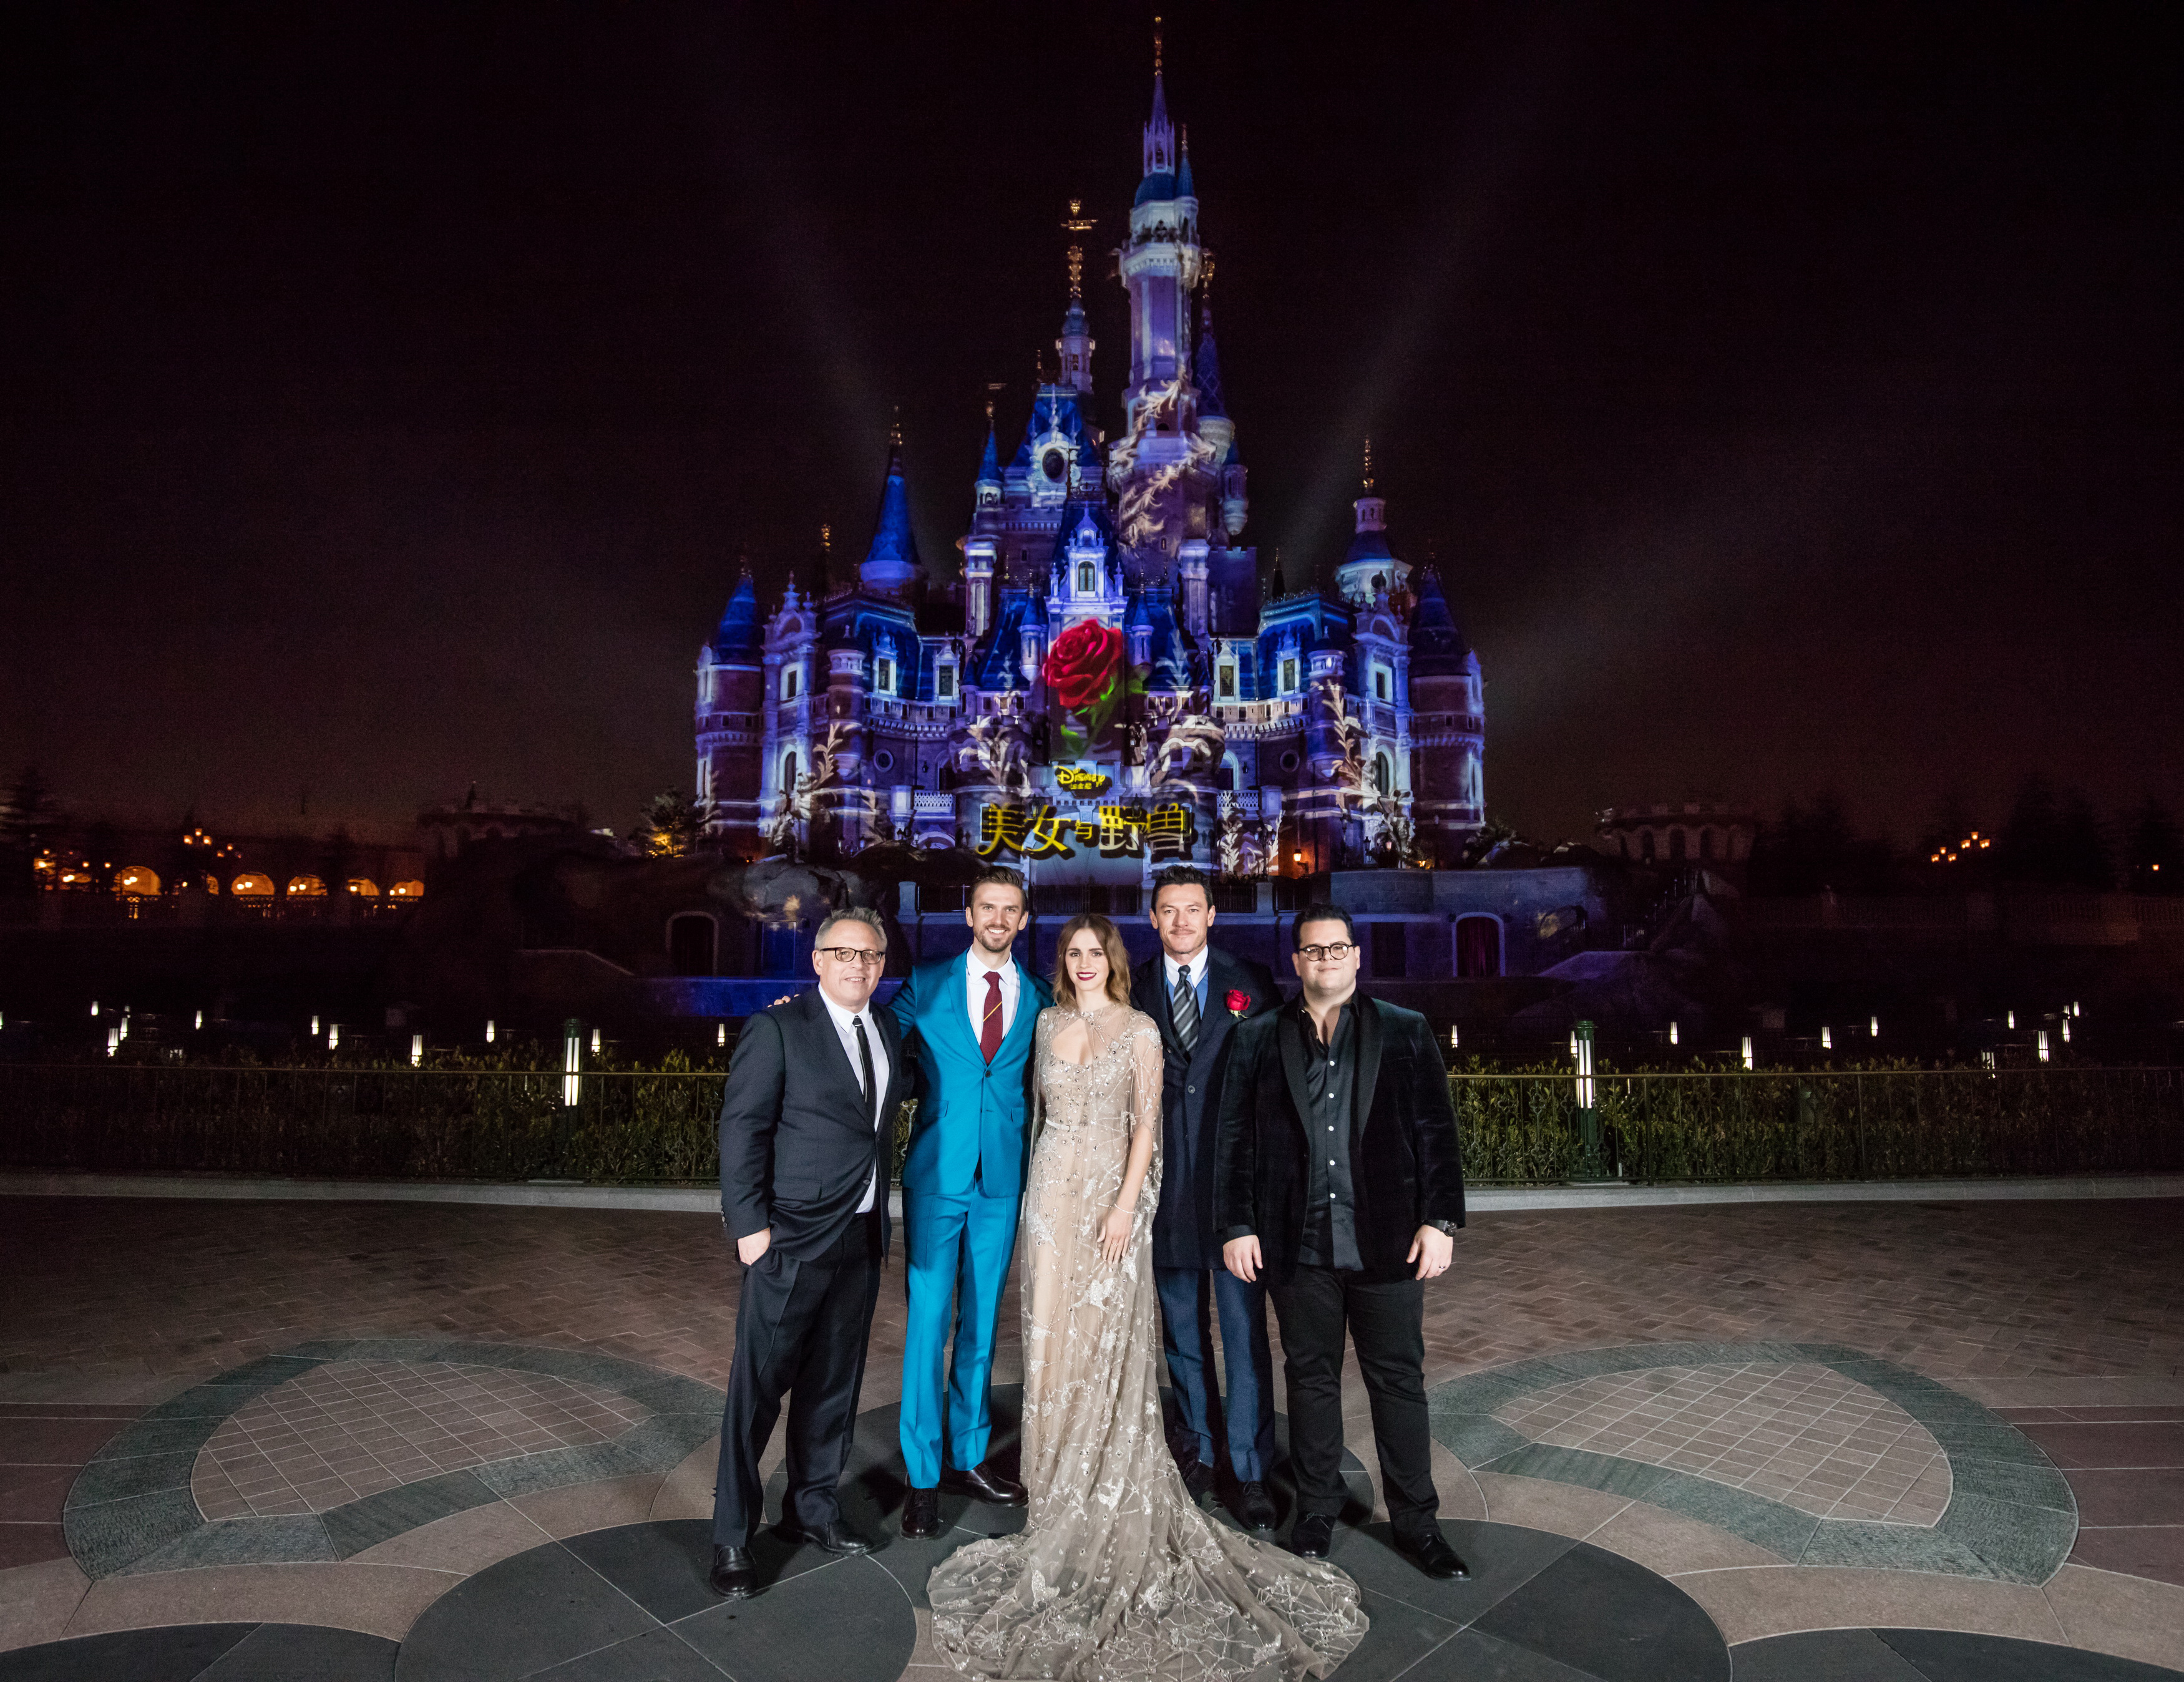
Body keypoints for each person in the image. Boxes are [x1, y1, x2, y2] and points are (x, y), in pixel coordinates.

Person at [929, 914, 1368, 1680]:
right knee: (1050, 1343)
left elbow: (1144, 1131)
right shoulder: (1046, 1024)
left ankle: (1130, 1476)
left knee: (1110, 1343)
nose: (1084, 962)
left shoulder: (1138, 1029)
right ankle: (1058, 1487)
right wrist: (1035, 1202)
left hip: (1110, 1202)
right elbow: (1035, 1122)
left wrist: (1126, 1206)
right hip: (1048, 1205)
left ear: (1114, 960)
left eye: (1096, 952)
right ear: (1062, 963)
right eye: (1073, 953)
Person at [1216, 903, 1471, 1580]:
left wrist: (1439, 1220)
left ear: (1355, 956)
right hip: (1294, 1245)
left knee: (1397, 1382)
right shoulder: (1259, 1038)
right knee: (1310, 1380)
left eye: (1336, 949)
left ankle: (1417, 1521)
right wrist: (1236, 1225)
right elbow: (1233, 1141)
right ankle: (1317, 1509)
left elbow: (1435, 1134)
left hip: (1388, 1240)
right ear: (1294, 961)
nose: (1324, 960)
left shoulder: (1405, 1031)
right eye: (1311, 950)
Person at [710, 907, 905, 1598]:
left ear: (882, 965)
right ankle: (732, 1534)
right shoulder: (778, 1027)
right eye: (844, 952)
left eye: (871, 955)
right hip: (788, 1236)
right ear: (817, 959)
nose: (858, 965)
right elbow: (742, 1128)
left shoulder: (885, 1028)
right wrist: (749, 1225)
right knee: (757, 1390)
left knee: (832, 1387)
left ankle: (811, 1510)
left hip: (858, 1238)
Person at [885, 865, 1052, 1537]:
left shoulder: (1040, 995)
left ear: (1023, 918)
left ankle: (970, 1455)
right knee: (928, 1322)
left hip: (1002, 1181)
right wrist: (801, 1015)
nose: (998, 918)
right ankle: (922, 1475)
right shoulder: (924, 983)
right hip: (935, 1176)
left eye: (1010, 909)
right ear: (968, 912)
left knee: (983, 1322)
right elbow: (868, 1039)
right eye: (987, 906)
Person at [1128, 864, 1283, 1532]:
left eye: (1193, 908)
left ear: (1212, 914)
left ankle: (1248, 1469)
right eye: (1169, 910)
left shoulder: (1250, 982)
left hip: (1235, 1199)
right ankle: (1197, 1449)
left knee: (1245, 1336)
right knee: (1182, 1336)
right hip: (1163, 1193)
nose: (1182, 921)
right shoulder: (1128, 987)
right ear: (1154, 917)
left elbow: (1275, 1090)